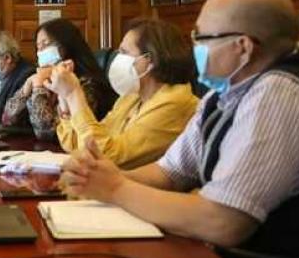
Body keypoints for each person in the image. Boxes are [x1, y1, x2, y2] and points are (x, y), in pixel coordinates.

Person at [60, 0, 299, 258]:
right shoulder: (222, 96)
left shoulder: (279, 94)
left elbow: (223, 221)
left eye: (202, 37)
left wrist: (115, 188)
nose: (195, 48)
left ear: (243, 47)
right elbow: (169, 173)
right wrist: (98, 177)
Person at [46, 18, 198, 169]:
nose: (116, 59)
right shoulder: (132, 97)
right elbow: (75, 145)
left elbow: (104, 158)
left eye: (124, 53)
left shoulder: (175, 102)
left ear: (150, 61)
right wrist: (64, 97)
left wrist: (74, 93)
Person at [2, 19, 116, 141]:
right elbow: (7, 120)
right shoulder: (42, 76)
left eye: (46, 45)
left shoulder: (87, 83)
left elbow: (47, 133)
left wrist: (38, 88)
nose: (41, 52)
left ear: (66, 45)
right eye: (38, 47)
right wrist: (26, 88)